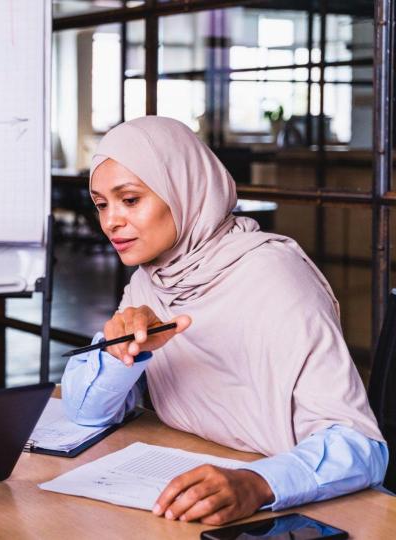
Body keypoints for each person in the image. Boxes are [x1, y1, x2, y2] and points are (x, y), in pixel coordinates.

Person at [62, 116, 387, 525]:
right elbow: (85, 414)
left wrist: (256, 483)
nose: (110, 221)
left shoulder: (273, 276)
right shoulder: (150, 283)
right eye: (101, 204)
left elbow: (361, 447)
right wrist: (117, 356)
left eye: (130, 200)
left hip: (299, 511)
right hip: (188, 486)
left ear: (184, 191)